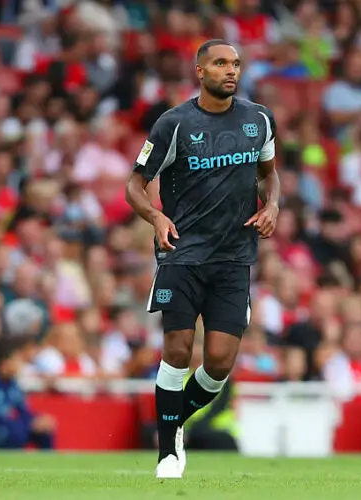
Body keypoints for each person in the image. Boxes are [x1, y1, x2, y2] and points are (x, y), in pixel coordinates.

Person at [125, 39, 280, 479]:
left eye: (235, 63)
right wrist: (155, 216)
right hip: (182, 254)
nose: (230, 70)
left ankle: (175, 424)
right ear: (199, 70)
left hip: (234, 259)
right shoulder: (174, 124)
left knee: (218, 364)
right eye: (220, 63)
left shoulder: (259, 119)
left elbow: (270, 176)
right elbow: (135, 185)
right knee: (176, 350)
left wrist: (272, 206)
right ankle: (167, 453)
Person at [0, 337, 56, 450]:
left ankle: (46, 465)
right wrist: (13, 421)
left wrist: (35, 420)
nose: (18, 364)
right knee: (15, 431)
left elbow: (22, 410)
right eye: (15, 360)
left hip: (9, 424)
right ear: (4, 362)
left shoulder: (14, 385)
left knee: (44, 429)